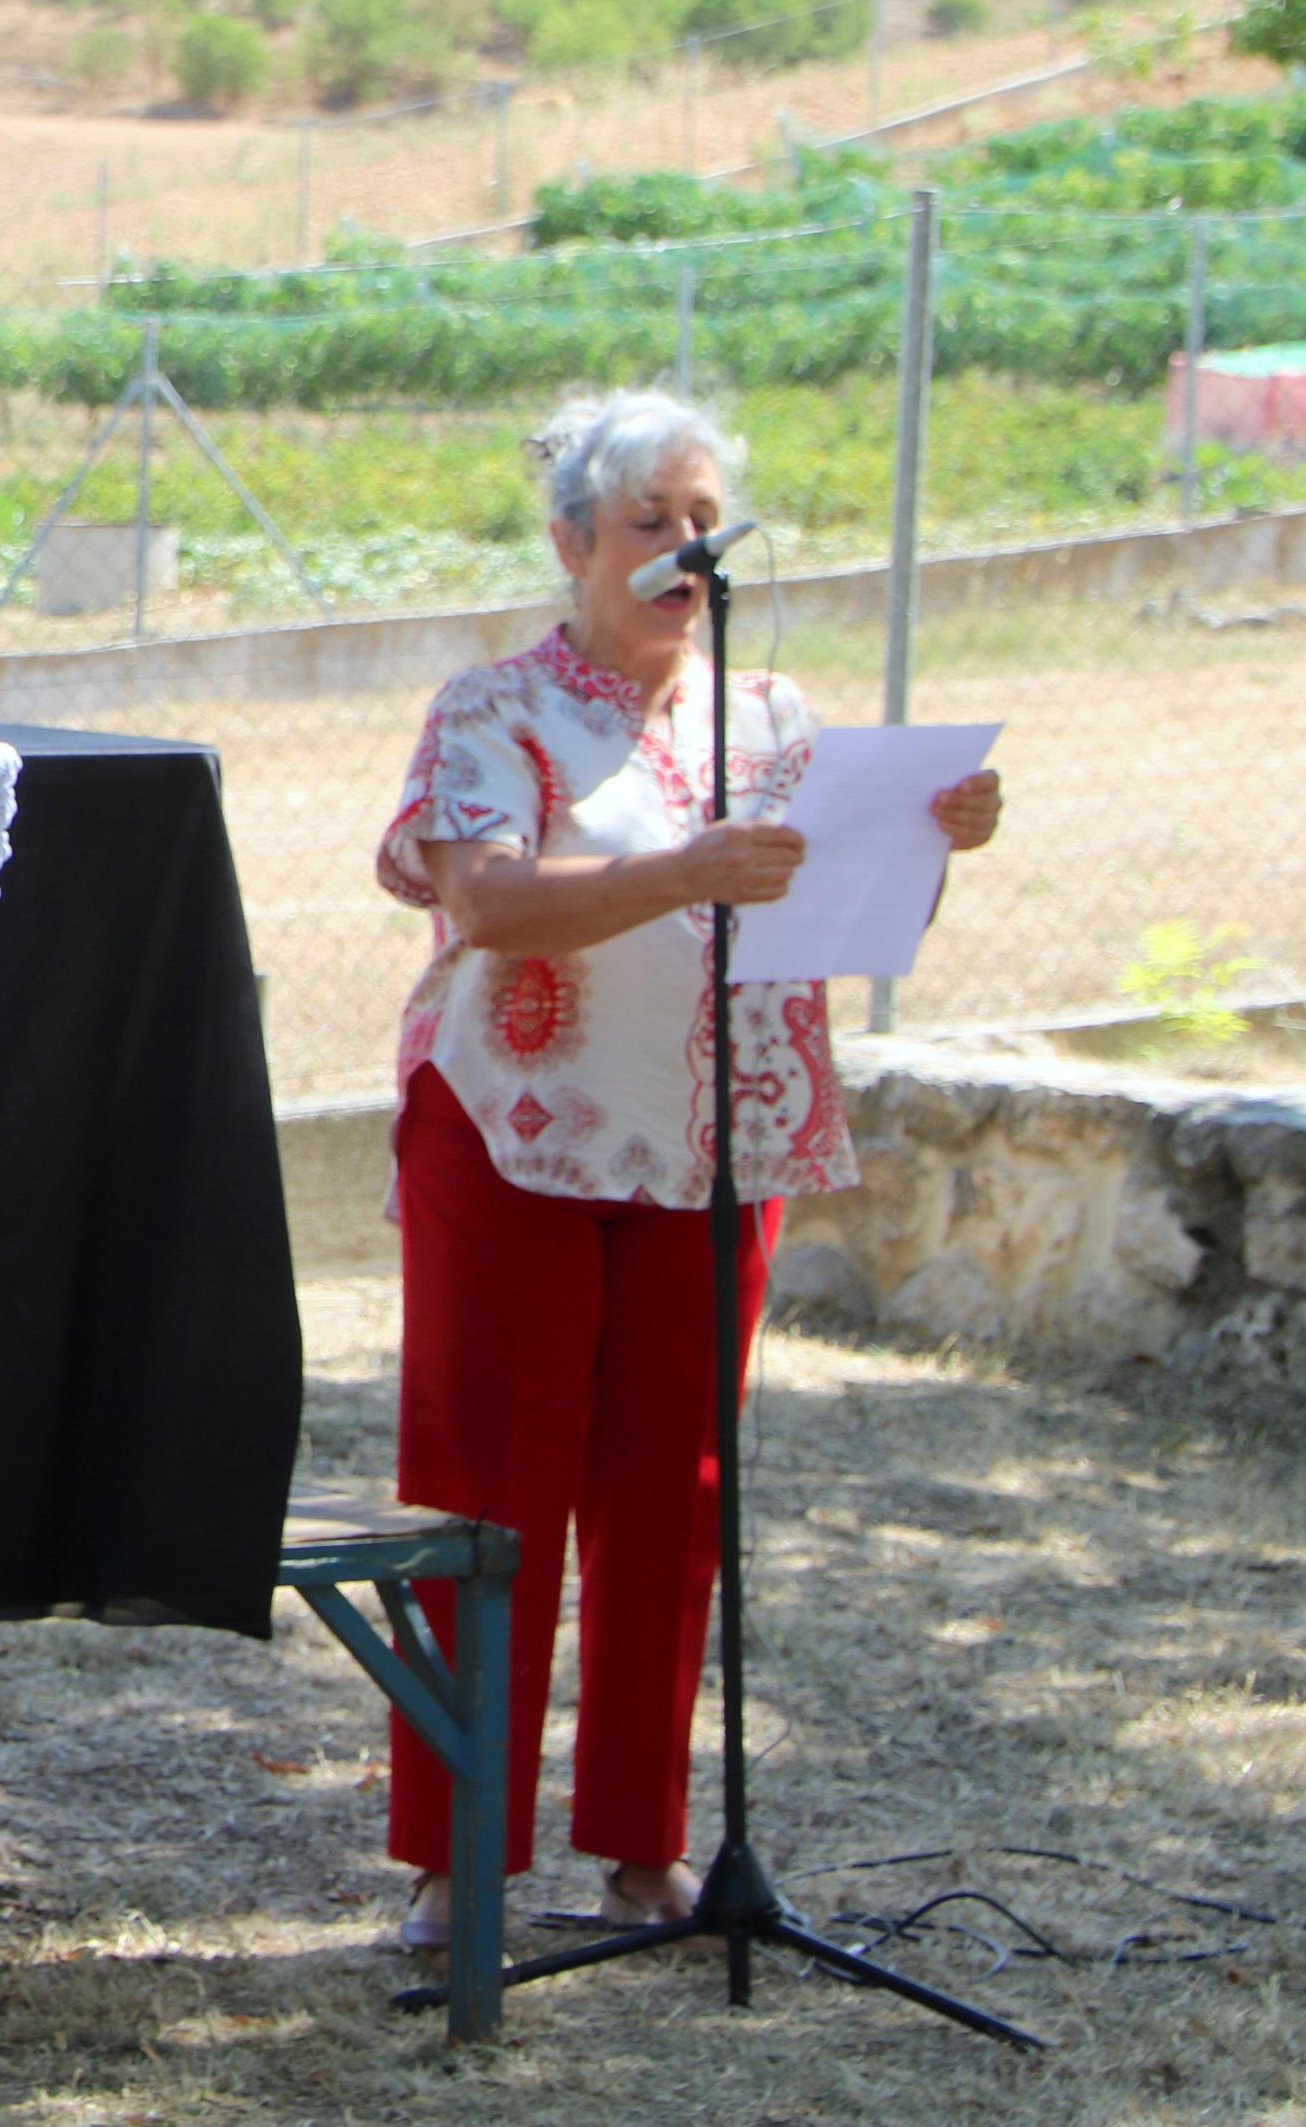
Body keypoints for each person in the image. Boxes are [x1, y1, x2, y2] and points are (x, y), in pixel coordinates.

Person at [373, 390, 999, 1948]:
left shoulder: (771, 715)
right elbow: (491, 901)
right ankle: (458, 1854)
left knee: (674, 1487)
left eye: (700, 520)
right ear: (570, 538)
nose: (679, 549)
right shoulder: (490, 708)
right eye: (646, 522)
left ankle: (646, 1841)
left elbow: (837, 915)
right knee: (489, 1493)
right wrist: (678, 869)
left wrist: (928, 842)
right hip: (518, 1132)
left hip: (718, 1134)